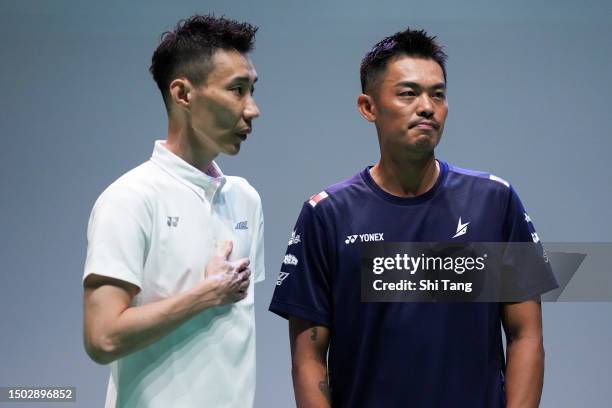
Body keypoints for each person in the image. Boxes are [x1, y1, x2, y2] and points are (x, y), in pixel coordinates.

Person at [269, 28, 557, 407]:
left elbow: (526, 335)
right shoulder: (326, 215)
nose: (427, 106)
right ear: (368, 107)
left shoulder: (496, 201)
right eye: (408, 93)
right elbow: (308, 361)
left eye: (437, 94)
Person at [83, 15, 264, 408]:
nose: (252, 110)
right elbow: (102, 338)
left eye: (251, 90)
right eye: (237, 90)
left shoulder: (246, 199)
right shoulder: (129, 199)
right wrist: (206, 294)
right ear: (183, 94)